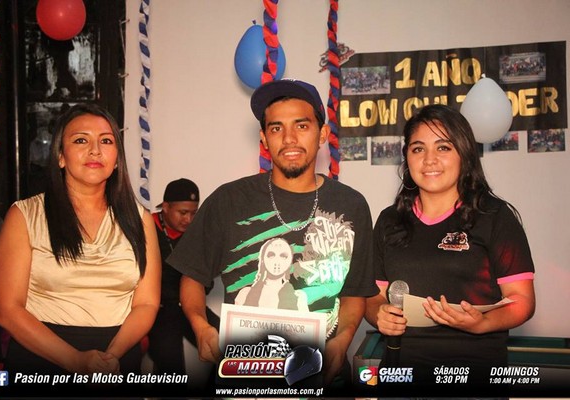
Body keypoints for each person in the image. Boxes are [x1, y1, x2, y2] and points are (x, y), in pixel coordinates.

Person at [169, 79, 378, 390]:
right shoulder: (229, 201)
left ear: (322, 134)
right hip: (245, 377)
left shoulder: (351, 205)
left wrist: (342, 341)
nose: (289, 138)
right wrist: (201, 327)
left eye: (301, 126)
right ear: (264, 139)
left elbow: (355, 292)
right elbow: (192, 277)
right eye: (276, 128)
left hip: (321, 375)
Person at [365, 104, 536, 385]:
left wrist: (483, 323)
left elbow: (522, 300)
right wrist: (378, 314)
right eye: (418, 149)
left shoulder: (494, 216)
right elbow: (373, 297)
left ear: (464, 154)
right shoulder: (389, 220)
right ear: (407, 157)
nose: (429, 160)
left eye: (443, 147)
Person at [0, 104, 161, 379]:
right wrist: (76, 361)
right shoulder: (25, 215)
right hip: (41, 361)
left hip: (116, 362)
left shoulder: (139, 219)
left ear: (117, 159)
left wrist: (111, 357)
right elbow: (6, 310)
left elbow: (147, 304)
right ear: (60, 156)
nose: (95, 150)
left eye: (106, 141)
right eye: (81, 140)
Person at [147, 178, 219, 376]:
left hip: (191, 306)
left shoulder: (198, 232)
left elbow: (204, 278)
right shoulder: (147, 227)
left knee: (233, 348)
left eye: (194, 213)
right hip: (158, 310)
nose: (188, 219)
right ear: (166, 207)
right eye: (183, 213)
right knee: (172, 371)